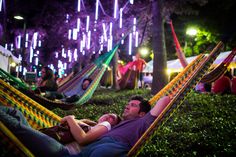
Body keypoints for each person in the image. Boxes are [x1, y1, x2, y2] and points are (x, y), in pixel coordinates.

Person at [0, 106, 121, 156]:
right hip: (50, 139)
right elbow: (63, 122)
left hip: (61, 150)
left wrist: (70, 118)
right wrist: (79, 120)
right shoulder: (91, 125)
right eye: (109, 114)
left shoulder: (106, 126)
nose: (109, 118)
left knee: (17, 127)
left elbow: (82, 139)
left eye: (113, 119)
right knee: (15, 113)